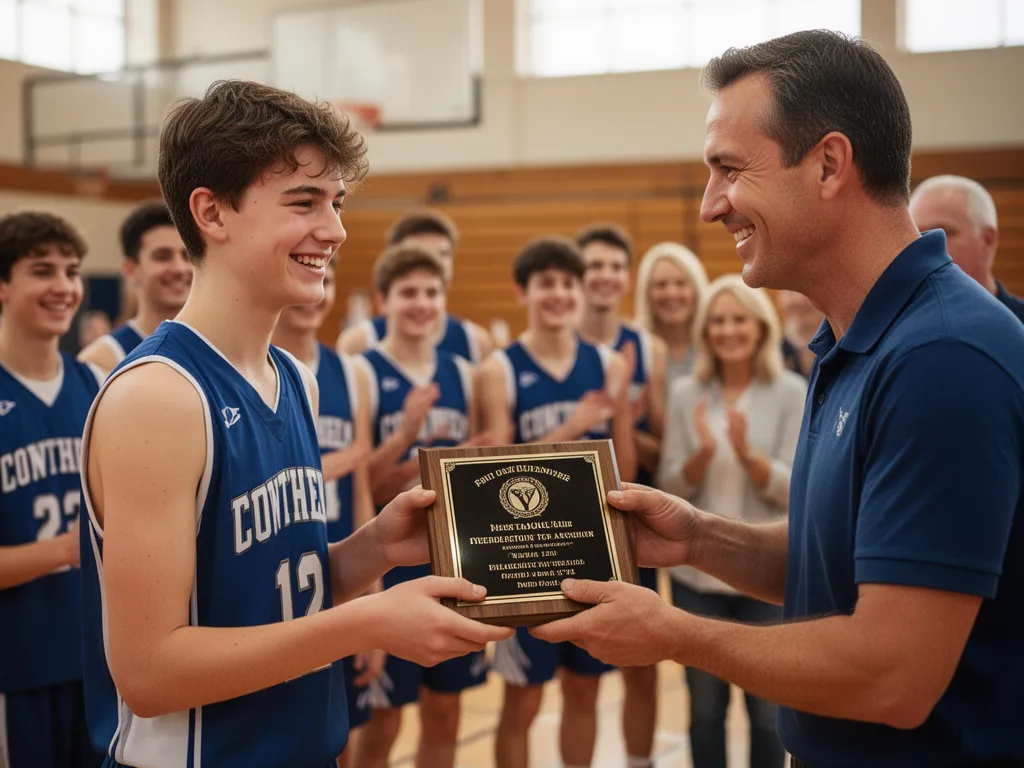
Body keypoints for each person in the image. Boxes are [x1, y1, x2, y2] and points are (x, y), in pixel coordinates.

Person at [531, 30, 1024, 768]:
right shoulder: (858, 339)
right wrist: (701, 539)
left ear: (828, 164)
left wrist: (676, 634)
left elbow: (893, 675)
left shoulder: (942, 357)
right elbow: (856, 563)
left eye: (729, 170)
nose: (709, 207)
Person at [78, 79, 512, 767]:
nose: (336, 230)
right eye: (304, 202)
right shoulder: (157, 396)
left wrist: (370, 550)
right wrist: (365, 621)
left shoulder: (296, 379)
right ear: (212, 214)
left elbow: (269, 590)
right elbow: (149, 672)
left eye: (336, 203)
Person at [476, 236, 635, 768]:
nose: (559, 294)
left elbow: (625, 462)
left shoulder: (609, 363)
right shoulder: (500, 368)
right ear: (524, 292)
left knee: (586, 692)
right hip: (527, 560)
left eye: (568, 283)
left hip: (592, 554)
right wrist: (569, 430)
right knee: (522, 699)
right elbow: (491, 474)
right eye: (547, 283)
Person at [658, 275, 806, 768]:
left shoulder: (790, 391)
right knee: (704, 712)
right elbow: (670, 487)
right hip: (697, 580)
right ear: (705, 330)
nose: (728, 329)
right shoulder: (685, 393)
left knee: (767, 715)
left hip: (766, 575)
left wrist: (748, 455)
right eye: (718, 320)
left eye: (738, 318)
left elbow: (795, 488)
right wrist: (702, 453)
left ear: (760, 327)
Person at [353, 244, 489, 768]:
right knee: (384, 716)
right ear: (384, 300)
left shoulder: (463, 371)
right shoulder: (362, 370)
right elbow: (362, 480)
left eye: (432, 293)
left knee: (446, 709)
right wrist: (410, 439)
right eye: (409, 292)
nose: (422, 303)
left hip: (452, 556)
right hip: (390, 561)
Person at [0, 211, 104, 768]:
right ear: (3, 284)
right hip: (16, 670)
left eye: (72, 271)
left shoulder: (94, 383)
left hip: (95, 662)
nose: (63, 287)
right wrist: (66, 549)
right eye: (43, 271)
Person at [269, 259, 382, 765]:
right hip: (276, 582)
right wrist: (324, 467)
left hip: (335, 572)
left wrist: (372, 599)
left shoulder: (350, 372)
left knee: (340, 735)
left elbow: (362, 491)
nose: (320, 288)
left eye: (333, 277)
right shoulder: (254, 371)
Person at [576, 222, 665, 768]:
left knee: (644, 663)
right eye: (594, 266)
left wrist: (622, 424)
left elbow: (661, 445)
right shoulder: (557, 336)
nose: (605, 276)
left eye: (614, 266)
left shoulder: (645, 347)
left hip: (627, 523)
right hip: (564, 526)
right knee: (577, 677)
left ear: (626, 277)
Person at [336, 209, 494, 363]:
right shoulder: (360, 342)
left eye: (442, 254)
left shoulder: (476, 342)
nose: (431, 261)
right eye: (418, 252)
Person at [77, 201, 192, 374]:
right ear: (130, 269)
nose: (179, 268)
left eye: (187, 255)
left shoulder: (221, 349)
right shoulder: (101, 362)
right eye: (162, 256)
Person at [909, 174, 1024, 323]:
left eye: (943, 233)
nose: (926, 246)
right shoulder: (895, 329)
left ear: (986, 240)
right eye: (918, 236)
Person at [632, 242, 709, 386]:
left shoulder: (715, 346)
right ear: (646, 293)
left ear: (696, 290)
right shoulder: (633, 347)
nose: (671, 293)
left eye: (681, 283)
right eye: (661, 285)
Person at [776, 290, 822, 378]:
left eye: (806, 292)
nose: (797, 300)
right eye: (790, 291)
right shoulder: (772, 352)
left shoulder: (843, 349)